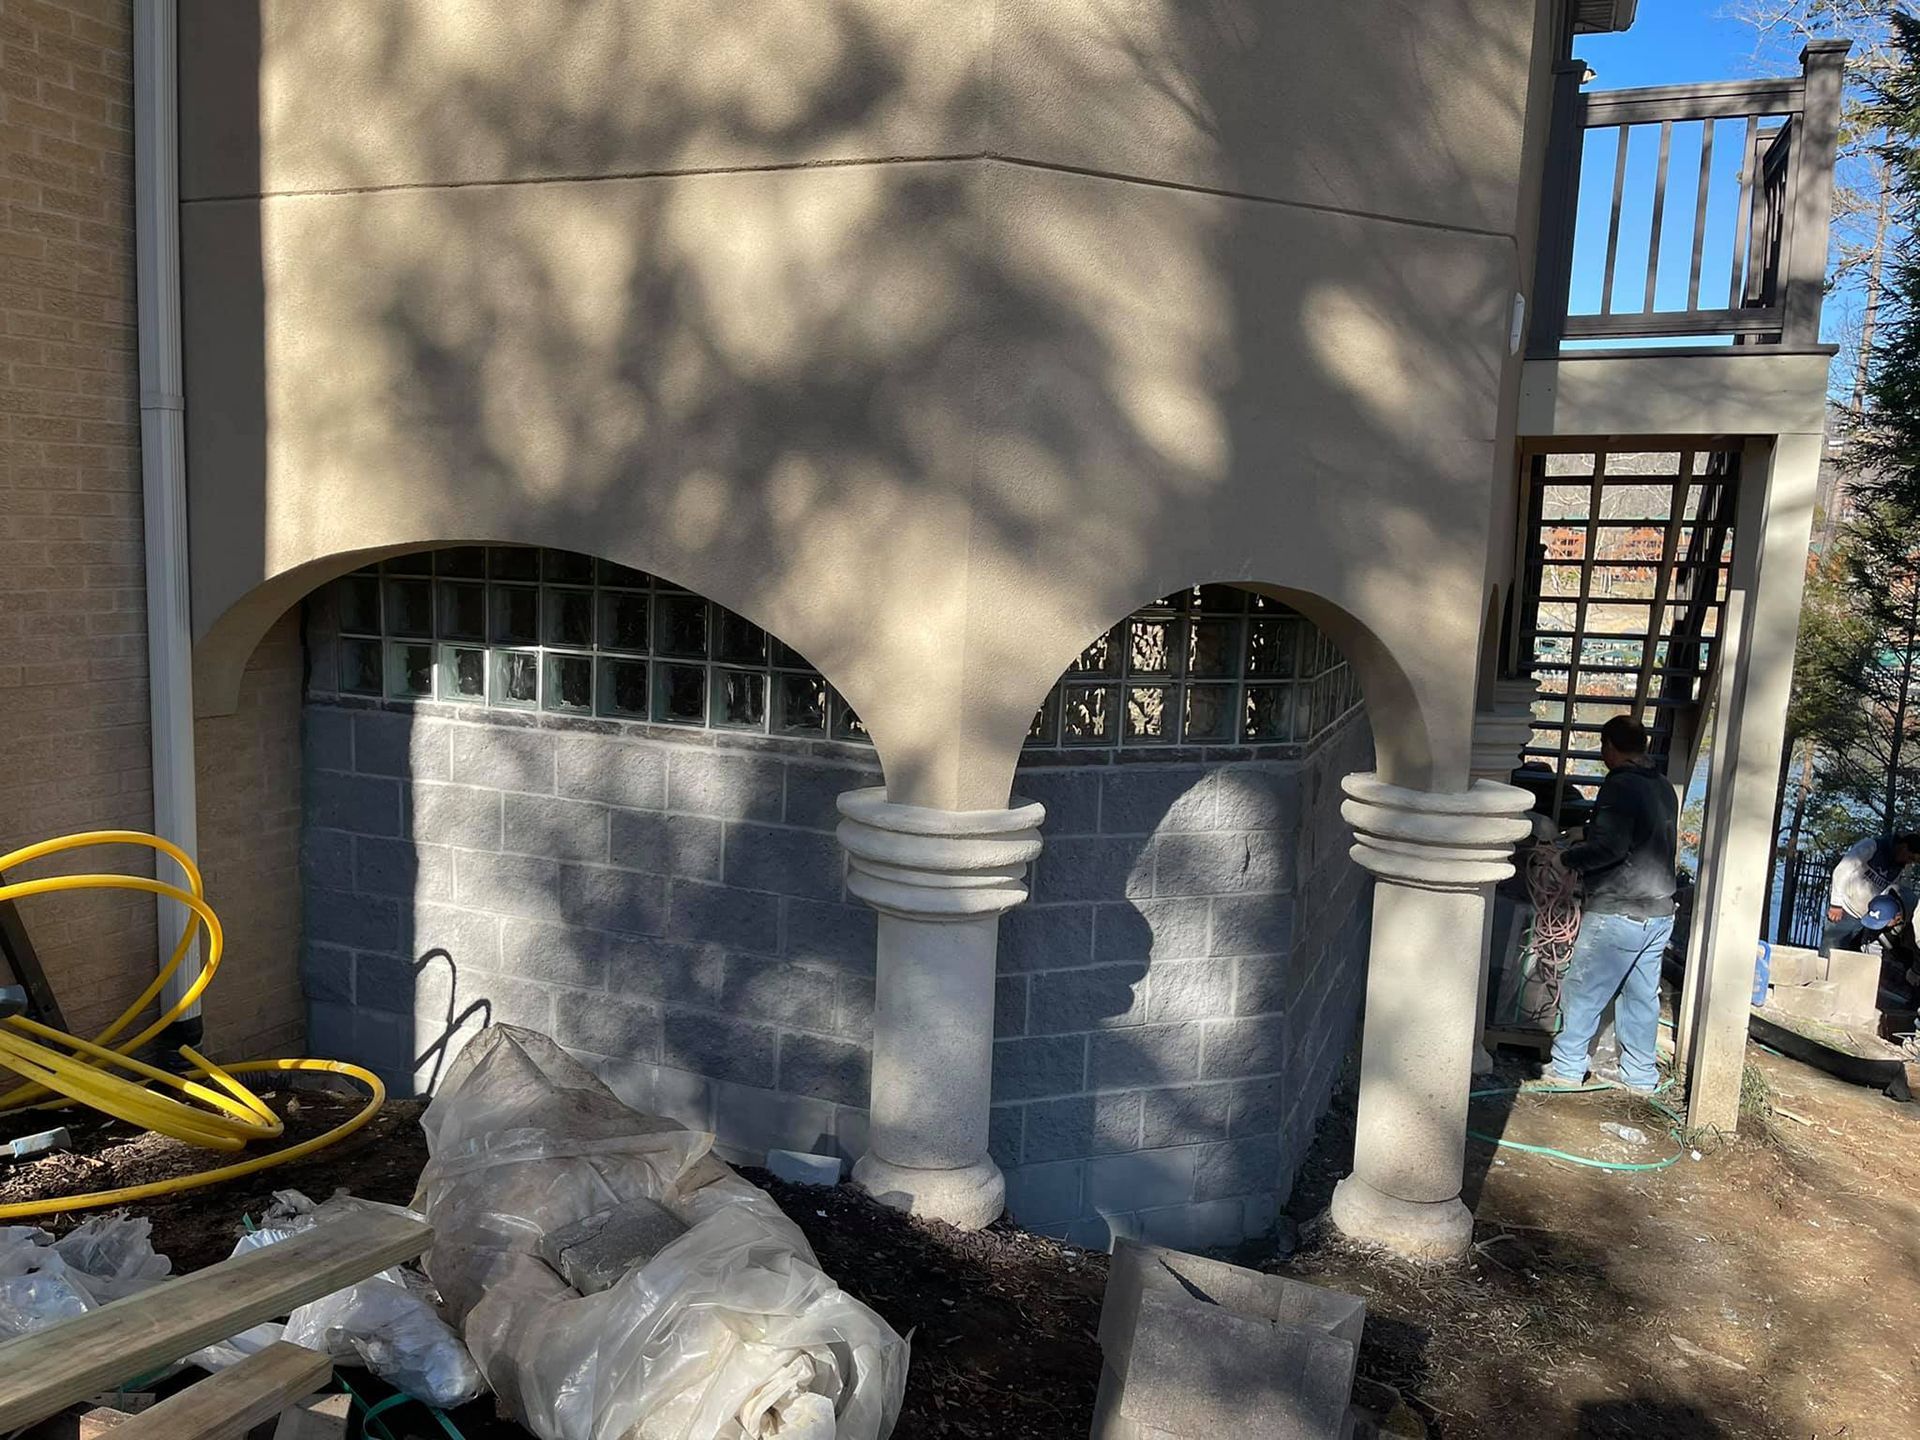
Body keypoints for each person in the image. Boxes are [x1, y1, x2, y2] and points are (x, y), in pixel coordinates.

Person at [1544, 715, 1679, 1093]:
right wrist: (1585, 831)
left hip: (1620, 909)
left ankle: (1568, 1070)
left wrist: (1566, 859)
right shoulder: (1663, 787)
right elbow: (1640, 831)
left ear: (1609, 748)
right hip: (1658, 913)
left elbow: (1612, 847)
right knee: (1641, 998)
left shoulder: (1619, 785)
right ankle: (1640, 1078)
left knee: (1584, 989)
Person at [1822, 832, 1920, 955]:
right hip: (1844, 912)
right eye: (1910, 858)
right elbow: (1843, 869)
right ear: (1904, 847)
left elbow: (1888, 893)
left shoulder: (1898, 868)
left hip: (1868, 920)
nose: (1909, 862)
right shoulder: (1872, 846)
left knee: (1852, 962)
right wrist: (1836, 904)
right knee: (1829, 956)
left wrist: (1890, 915)